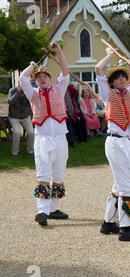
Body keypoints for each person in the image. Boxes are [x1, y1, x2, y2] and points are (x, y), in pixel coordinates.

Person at [95, 48, 130, 242]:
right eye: (117, 77)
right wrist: (109, 53)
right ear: (111, 82)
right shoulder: (107, 94)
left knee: (121, 185)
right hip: (116, 141)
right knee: (127, 187)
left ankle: (108, 223)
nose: (121, 79)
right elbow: (98, 69)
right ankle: (126, 228)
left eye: (123, 76)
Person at [19, 42, 70, 226]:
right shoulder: (33, 94)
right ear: (36, 80)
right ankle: (42, 211)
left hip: (60, 138)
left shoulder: (59, 88)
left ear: (50, 78)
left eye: (45, 76)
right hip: (42, 139)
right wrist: (33, 65)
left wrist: (59, 52)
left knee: (58, 174)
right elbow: (22, 79)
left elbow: (65, 71)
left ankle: (54, 209)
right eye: (38, 77)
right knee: (43, 173)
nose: (41, 79)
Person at [7, 82, 34, 156]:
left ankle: (30, 150)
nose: (23, 86)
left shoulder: (28, 91)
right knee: (17, 133)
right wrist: (18, 93)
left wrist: (27, 93)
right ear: (18, 84)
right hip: (14, 116)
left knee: (31, 132)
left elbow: (32, 102)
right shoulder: (12, 90)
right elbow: (10, 102)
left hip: (25, 116)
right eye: (21, 84)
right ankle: (14, 152)